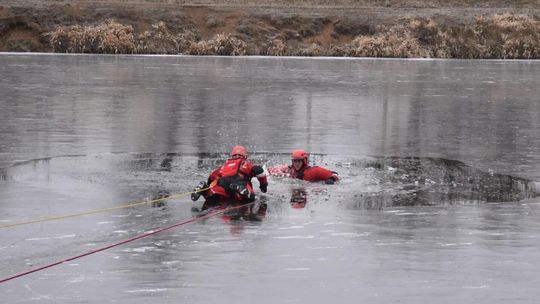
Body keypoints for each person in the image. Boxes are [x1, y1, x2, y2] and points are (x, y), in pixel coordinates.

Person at [191, 146, 268, 211]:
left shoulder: (225, 165)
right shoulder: (245, 163)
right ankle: (242, 190)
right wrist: (263, 186)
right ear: (245, 156)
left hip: (223, 184)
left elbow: (211, 177)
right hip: (239, 181)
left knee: (213, 197)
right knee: (251, 198)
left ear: (232, 156)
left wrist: (208, 184)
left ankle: (205, 190)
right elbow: (259, 171)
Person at [268, 149, 339, 184]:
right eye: (295, 161)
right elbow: (268, 171)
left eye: (299, 161)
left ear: (304, 161)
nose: (296, 163)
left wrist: (331, 179)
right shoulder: (289, 170)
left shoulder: (314, 171)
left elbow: (334, 174)